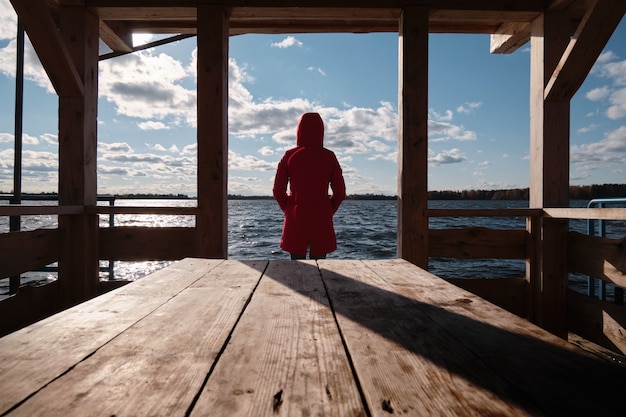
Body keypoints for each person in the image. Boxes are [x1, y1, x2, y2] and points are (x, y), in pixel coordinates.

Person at [273, 112, 346, 260]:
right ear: (321, 131)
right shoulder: (329, 157)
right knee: (320, 267)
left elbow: (278, 191)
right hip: (321, 217)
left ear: (299, 130)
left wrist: (289, 208)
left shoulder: (289, 156)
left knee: (297, 267)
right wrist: (328, 210)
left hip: (296, 215)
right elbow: (340, 192)